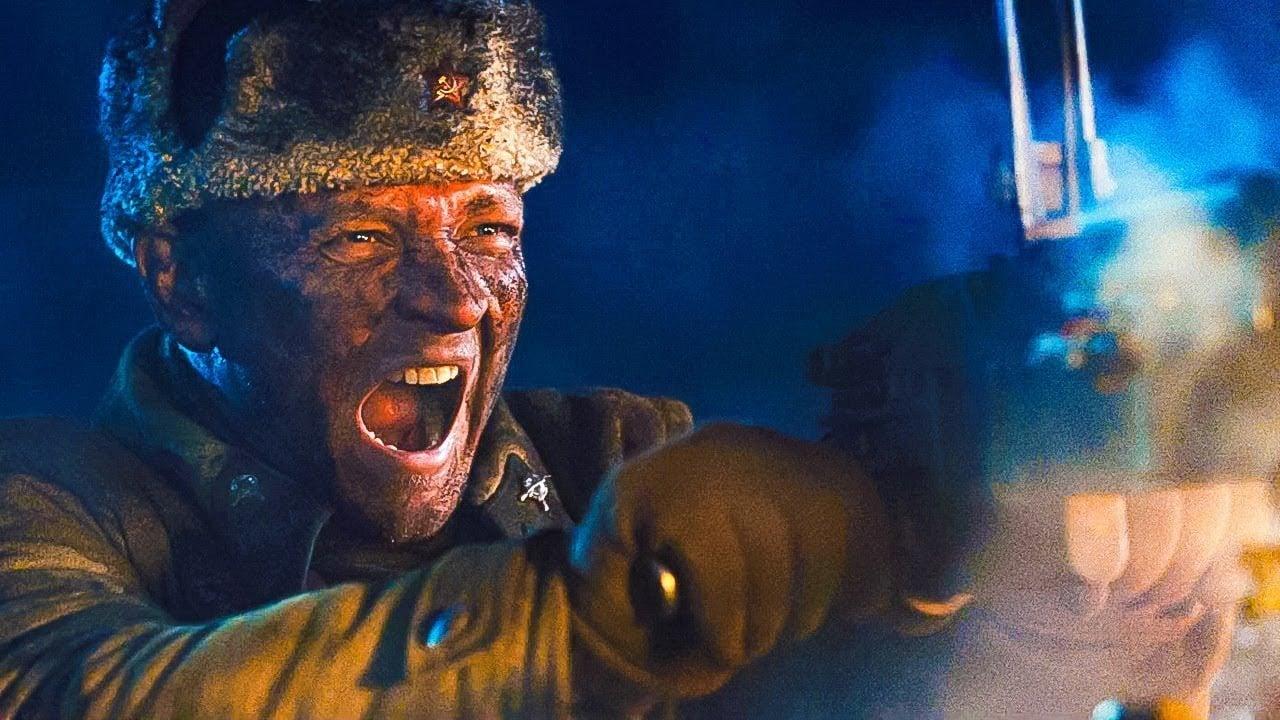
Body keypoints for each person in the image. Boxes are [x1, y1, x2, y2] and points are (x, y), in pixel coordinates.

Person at [0, 1, 955, 717]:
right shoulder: (51, 508)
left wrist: (930, 547)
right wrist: (599, 614)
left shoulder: (615, 460)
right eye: (362, 237)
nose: (457, 297)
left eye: (489, 228)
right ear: (183, 283)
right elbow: (73, 698)